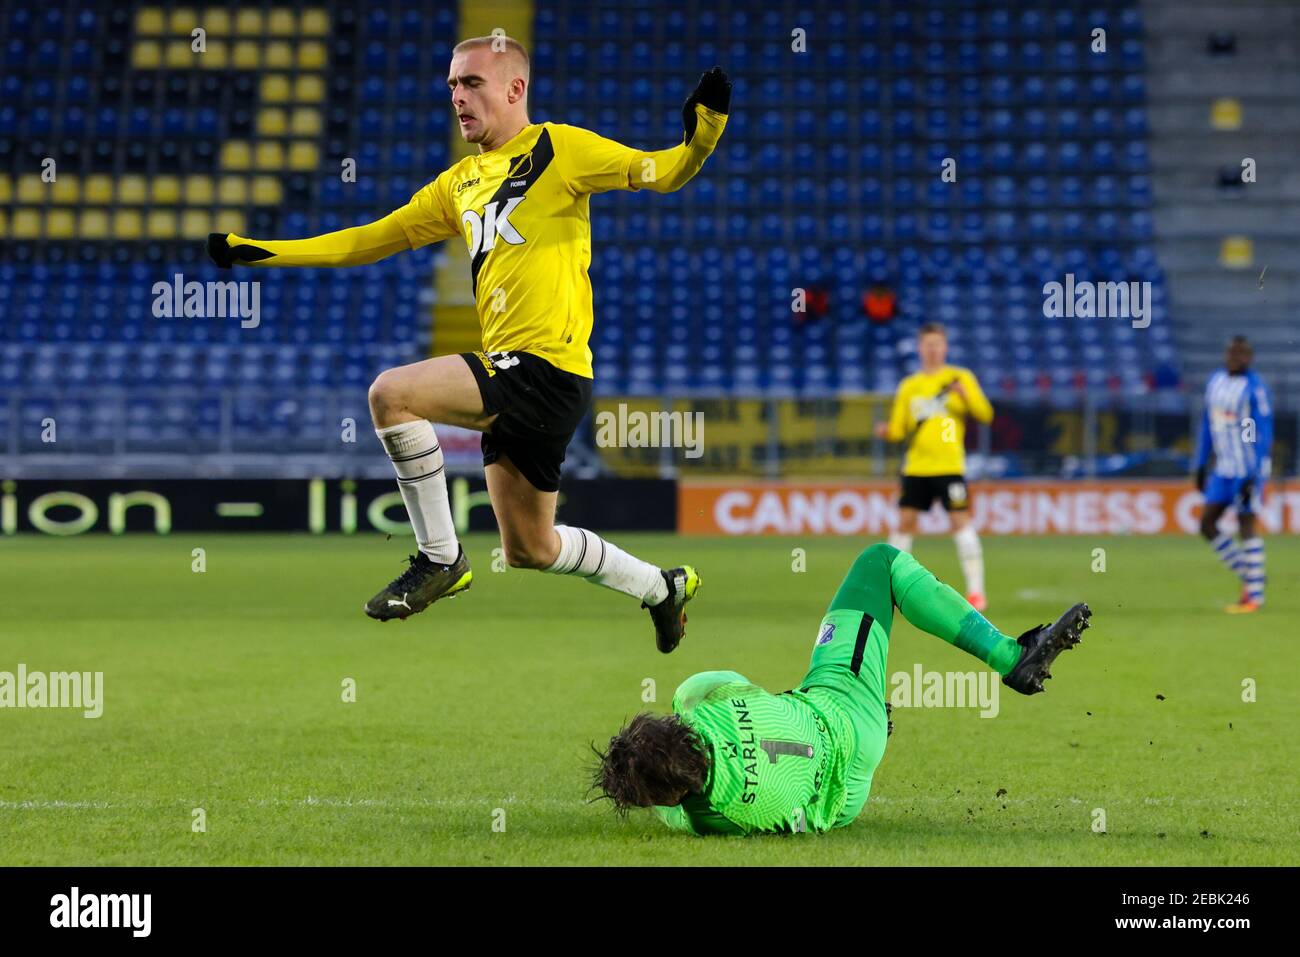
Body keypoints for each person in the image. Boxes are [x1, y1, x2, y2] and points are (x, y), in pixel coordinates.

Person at [207, 37, 730, 649]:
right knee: (532, 548)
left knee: (391, 394)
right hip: (521, 375)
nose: (457, 96)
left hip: (543, 367)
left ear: (515, 89)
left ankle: (440, 558)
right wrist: (264, 251)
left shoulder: (561, 149)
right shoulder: (458, 184)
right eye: (452, 85)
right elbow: (367, 240)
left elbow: (665, 171)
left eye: (472, 83)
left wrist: (705, 132)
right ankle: (662, 588)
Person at [592, 543, 1090, 835]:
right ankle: (1011, 656)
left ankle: (872, 722)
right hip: (838, 708)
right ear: (672, 727)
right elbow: (729, 685)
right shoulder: (704, 706)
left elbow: (673, 809)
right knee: (881, 563)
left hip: (845, 799)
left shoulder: (703, 819)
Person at [874, 323, 994, 610]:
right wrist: (886, 431)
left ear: (945, 347)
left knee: (959, 521)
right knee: (905, 523)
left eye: (937, 344)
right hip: (916, 467)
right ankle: (891, 590)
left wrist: (965, 395)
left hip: (950, 465)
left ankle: (976, 592)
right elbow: (900, 429)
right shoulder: (909, 387)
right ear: (919, 348)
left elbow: (985, 414)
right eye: (927, 344)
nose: (933, 349)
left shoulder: (960, 378)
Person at [1194, 335, 1273, 613]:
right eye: (1232, 353)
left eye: (1241, 355)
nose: (1235, 358)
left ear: (1249, 358)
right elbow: (1207, 424)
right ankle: (1252, 576)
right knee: (1207, 524)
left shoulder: (1255, 388)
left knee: (1246, 524)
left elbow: (1263, 431)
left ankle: (1254, 597)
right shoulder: (1215, 382)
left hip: (1247, 468)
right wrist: (1200, 463)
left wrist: (1254, 473)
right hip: (1223, 468)